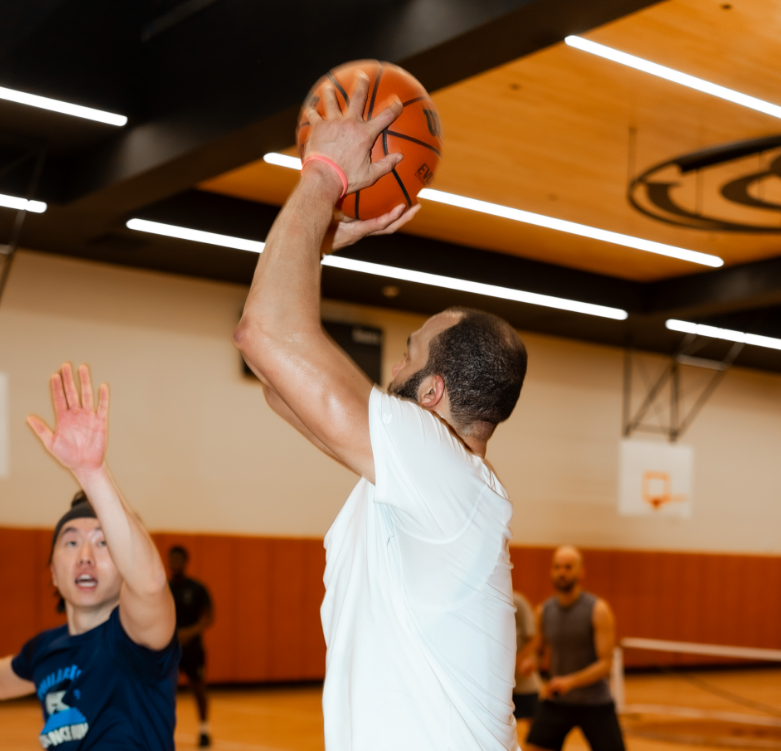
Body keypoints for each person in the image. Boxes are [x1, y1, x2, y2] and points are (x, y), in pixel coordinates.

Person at [234, 72, 528, 751]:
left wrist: (324, 176)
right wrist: (317, 243)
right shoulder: (425, 485)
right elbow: (273, 374)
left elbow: (266, 336)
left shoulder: (442, 470)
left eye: (407, 354)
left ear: (432, 395)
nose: (389, 371)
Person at [0, 363, 180, 750]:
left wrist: (91, 473)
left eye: (103, 542)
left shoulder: (136, 641)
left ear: (124, 566)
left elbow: (150, 583)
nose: (86, 555)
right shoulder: (45, 651)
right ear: (54, 573)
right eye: (71, 542)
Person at [526, 546, 625, 751]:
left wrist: (571, 681)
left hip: (595, 703)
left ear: (581, 572)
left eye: (568, 567)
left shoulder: (598, 610)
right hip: (557, 700)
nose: (562, 572)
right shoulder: (544, 611)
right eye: (557, 567)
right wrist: (532, 661)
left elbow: (605, 664)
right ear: (552, 571)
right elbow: (539, 650)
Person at [168, 545, 215, 746]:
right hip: (169, 647)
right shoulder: (163, 588)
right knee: (166, 689)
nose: (175, 564)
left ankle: (204, 729)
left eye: (178, 560)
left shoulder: (197, 588)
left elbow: (209, 617)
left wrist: (189, 632)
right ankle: (164, 728)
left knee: (198, 687)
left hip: (193, 647)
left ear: (185, 562)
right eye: (172, 559)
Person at [514, 591, 543, 741]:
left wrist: (519, 662)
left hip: (524, 684)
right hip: (497, 688)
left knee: (538, 735)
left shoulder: (517, 601)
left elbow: (534, 640)